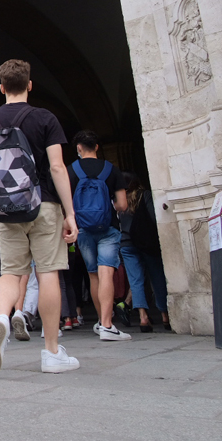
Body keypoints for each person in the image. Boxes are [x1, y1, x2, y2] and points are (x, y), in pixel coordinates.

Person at [0, 59, 80, 375]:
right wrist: (69, 212)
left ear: (1, 88)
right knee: (48, 272)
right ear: (30, 85)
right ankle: (51, 352)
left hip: (6, 210)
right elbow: (58, 167)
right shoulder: (44, 118)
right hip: (44, 205)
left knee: (9, 271)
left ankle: (1, 318)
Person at [68, 130, 130, 342]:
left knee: (93, 275)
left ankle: (101, 322)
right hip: (108, 228)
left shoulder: (71, 171)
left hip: (83, 230)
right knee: (106, 274)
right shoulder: (111, 169)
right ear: (96, 147)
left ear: (78, 149)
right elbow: (122, 204)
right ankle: (107, 324)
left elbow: (65, 206)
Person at [118, 172, 169, 332]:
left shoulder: (117, 200)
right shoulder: (144, 195)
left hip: (126, 243)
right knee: (157, 277)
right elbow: (154, 218)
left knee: (135, 281)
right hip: (146, 242)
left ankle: (143, 317)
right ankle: (165, 315)